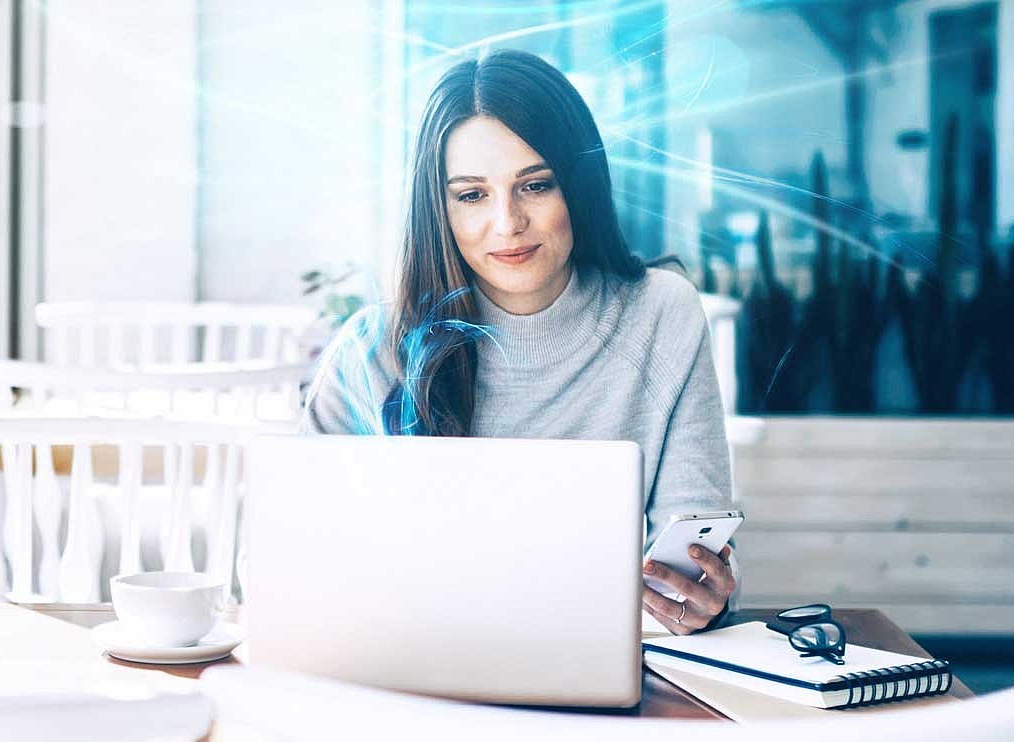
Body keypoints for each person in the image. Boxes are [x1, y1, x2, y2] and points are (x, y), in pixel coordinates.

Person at [303, 49, 736, 634]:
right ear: (439, 208)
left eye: (535, 185)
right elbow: (275, 563)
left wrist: (700, 600)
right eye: (472, 195)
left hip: (603, 672)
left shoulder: (662, 313)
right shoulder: (373, 347)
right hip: (409, 662)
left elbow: (694, 551)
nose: (507, 224)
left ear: (577, 187)